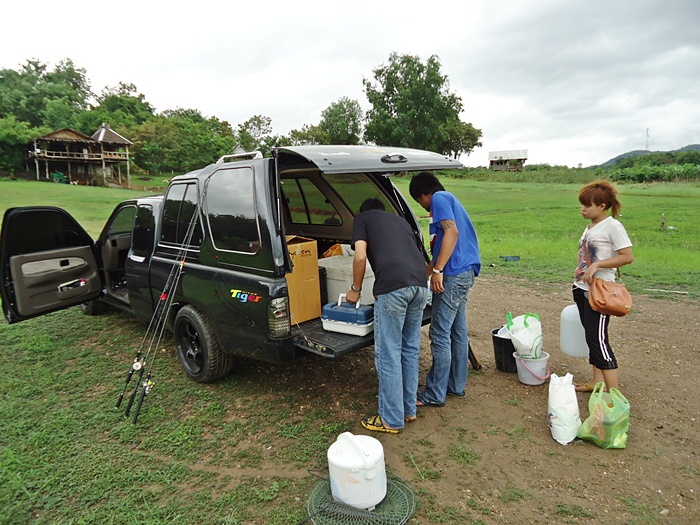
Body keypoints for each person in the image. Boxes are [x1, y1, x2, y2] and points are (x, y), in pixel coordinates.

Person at [346, 198, 429, 434]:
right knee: (409, 348)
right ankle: (408, 409)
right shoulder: (401, 222)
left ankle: (391, 420)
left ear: (365, 211)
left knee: (389, 352)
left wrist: (355, 289)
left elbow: (360, 256)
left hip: (393, 288)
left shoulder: (362, 219)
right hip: (420, 286)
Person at [408, 172, 481, 407]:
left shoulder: (439, 198)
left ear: (424, 194)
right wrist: (427, 273)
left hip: (453, 274)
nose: (424, 206)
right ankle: (455, 386)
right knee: (457, 331)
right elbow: (442, 244)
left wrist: (439, 270)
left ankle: (433, 394)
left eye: (420, 201)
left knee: (439, 333)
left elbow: (452, 232)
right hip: (464, 272)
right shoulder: (450, 200)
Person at [573, 180, 633, 392]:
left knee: (599, 341)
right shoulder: (590, 226)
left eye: (587, 205)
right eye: (582, 204)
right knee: (592, 338)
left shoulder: (613, 226)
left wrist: (598, 264)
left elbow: (627, 256)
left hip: (600, 292)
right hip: (581, 289)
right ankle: (596, 383)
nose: (583, 208)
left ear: (602, 206)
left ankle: (614, 395)